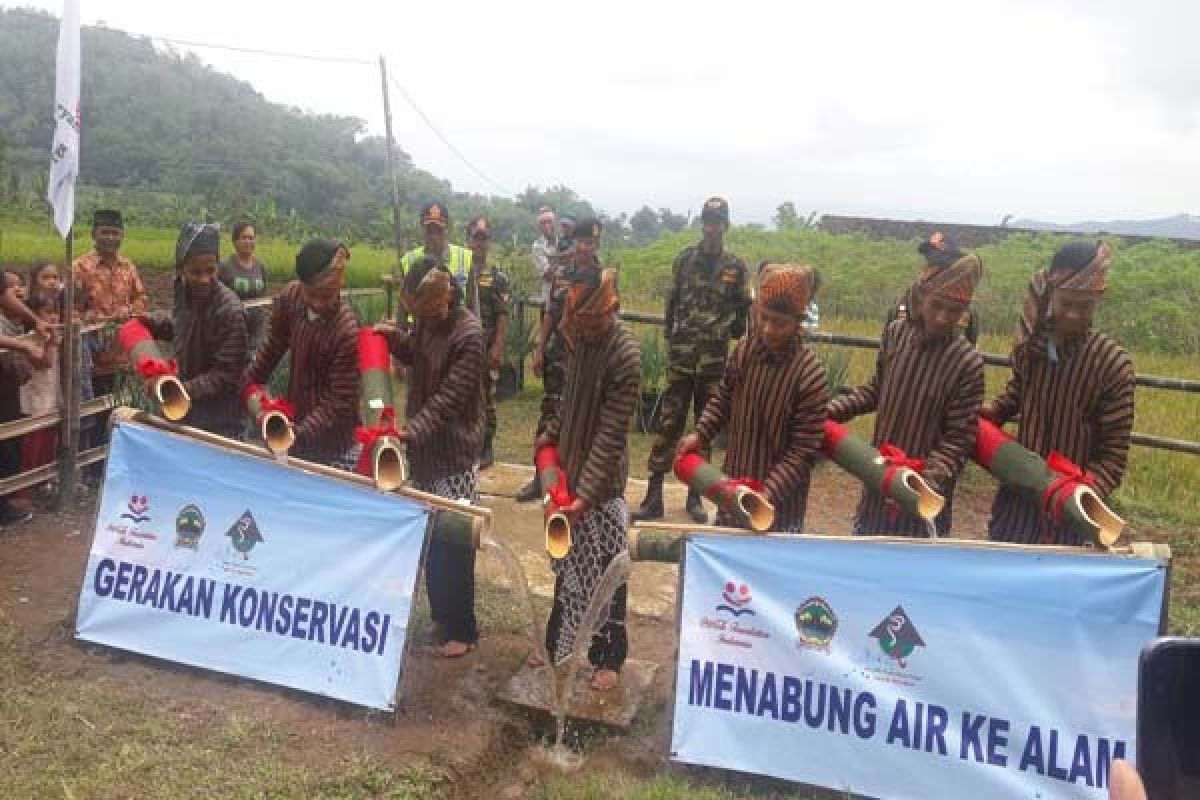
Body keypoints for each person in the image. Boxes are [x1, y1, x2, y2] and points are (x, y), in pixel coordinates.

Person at [536, 225, 640, 691]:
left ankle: (608, 659)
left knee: (608, 572)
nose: (581, 327)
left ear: (609, 308)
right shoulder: (581, 341)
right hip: (572, 474)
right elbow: (568, 401)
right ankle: (558, 645)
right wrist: (550, 437)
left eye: (590, 319)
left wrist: (586, 493)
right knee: (568, 566)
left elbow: (611, 435)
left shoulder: (625, 354)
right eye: (576, 320)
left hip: (602, 483)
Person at [982, 240, 1134, 546]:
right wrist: (995, 412)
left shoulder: (1113, 365)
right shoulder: (1034, 350)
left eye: (1085, 306)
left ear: (1098, 300)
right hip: (1017, 503)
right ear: (1051, 296)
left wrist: (1079, 495)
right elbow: (1020, 391)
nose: (1074, 315)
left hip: (1072, 514)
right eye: (1066, 304)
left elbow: (1113, 456)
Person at [828, 244, 985, 536]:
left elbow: (958, 438)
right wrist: (830, 411)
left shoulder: (967, 363)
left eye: (953, 311)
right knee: (868, 554)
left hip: (924, 493)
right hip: (879, 477)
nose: (942, 318)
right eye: (936, 305)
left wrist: (922, 482)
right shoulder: (896, 335)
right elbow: (876, 390)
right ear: (921, 294)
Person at [375, 255, 485, 658]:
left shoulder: (469, 335)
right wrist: (395, 339)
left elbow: (449, 400)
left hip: (454, 454)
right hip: (424, 452)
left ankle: (464, 628)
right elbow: (419, 356)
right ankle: (442, 617)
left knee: (456, 541)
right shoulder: (426, 321)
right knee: (433, 540)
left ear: (447, 294)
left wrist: (409, 431)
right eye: (417, 312)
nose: (424, 316)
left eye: (430, 308)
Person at [677, 264, 828, 533]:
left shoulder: (809, 375)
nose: (768, 329)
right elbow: (723, 398)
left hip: (778, 507)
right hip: (733, 488)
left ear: (798, 323)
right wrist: (700, 435)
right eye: (763, 318)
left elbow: (802, 453)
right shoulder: (746, 351)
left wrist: (765, 494)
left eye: (780, 323)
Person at [632, 196, 751, 524]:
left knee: (704, 428)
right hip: (682, 360)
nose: (712, 228)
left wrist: (728, 334)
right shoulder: (685, 260)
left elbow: (744, 311)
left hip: (713, 364)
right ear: (702, 224)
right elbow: (672, 304)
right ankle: (653, 495)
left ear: (726, 226)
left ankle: (695, 496)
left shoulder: (736, 268)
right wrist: (673, 337)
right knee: (668, 425)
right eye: (708, 221)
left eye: (718, 222)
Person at [243, 239, 360, 467]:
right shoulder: (291, 299)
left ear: (340, 283)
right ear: (301, 284)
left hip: (333, 442)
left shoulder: (346, 331)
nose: (318, 303)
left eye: (326, 295)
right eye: (312, 294)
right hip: (296, 422)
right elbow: (273, 346)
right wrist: (248, 383)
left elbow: (338, 401)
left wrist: (299, 432)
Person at [140, 223, 248, 438]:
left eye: (211, 270)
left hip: (220, 418)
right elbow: (185, 329)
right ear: (181, 269)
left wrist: (181, 389)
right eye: (195, 272)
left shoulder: (229, 311)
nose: (204, 279)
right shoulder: (182, 289)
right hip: (187, 406)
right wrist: (154, 324)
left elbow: (226, 375)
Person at [514, 216, 575, 503]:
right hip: (557, 357)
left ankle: (570, 482)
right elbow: (550, 313)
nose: (569, 251)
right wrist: (539, 349)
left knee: (578, 423)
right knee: (548, 416)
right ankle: (540, 478)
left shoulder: (599, 277)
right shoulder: (560, 275)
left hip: (582, 363)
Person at [71, 209, 148, 397]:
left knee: (122, 403)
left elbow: (141, 298)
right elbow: (68, 307)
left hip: (123, 350)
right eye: (105, 232)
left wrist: (128, 309)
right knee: (92, 403)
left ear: (122, 236)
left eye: (115, 233)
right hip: (91, 350)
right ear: (93, 234)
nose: (110, 238)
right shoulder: (80, 267)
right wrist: (85, 317)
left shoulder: (128, 266)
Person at [466, 216, 510, 469]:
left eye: (484, 238)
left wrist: (497, 348)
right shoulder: (460, 273)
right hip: (463, 348)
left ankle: (486, 448)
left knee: (486, 397)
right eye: (475, 237)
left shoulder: (496, 277)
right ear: (468, 239)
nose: (479, 242)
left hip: (486, 346)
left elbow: (503, 315)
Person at [885, 233, 979, 344]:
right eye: (931, 262)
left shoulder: (964, 310)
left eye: (940, 265)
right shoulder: (904, 301)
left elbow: (969, 347)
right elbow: (888, 344)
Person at [15, 290, 62, 508]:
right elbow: (45, 363)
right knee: (31, 445)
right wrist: (52, 343)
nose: (53, 318)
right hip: (34, 400)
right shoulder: (30, 340)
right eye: (47, 313)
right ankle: (23, 491)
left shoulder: (50, 335)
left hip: (50, 397)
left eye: (56, 313)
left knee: (47, 443)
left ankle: (42, 483)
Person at [399, 201, 475, 313]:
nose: (434, 236)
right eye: (430, 230)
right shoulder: (409, 260)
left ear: (447, 229)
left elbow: (472, 304)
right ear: (422, 229)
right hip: (418, 327)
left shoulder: (465, 258)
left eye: (439, 230)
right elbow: (403, 305)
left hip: (455, 326)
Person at [218, 221, 269, 350]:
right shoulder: (225, 266)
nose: (248, 241)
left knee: (256, 361)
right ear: (235, 241)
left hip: (257, 327)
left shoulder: (260, 267)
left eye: (251, 238)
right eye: (244, 237)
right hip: (233, 327)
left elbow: (262, 297)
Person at [531, 206, 558, 307]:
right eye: (543, 223)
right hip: (550, 300)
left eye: (549, 221)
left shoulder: (565, 241)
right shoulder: (537, 246)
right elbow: (548, 275)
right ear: (539, 227)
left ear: (555, 223)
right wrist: (562, 257)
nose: (547, 225)